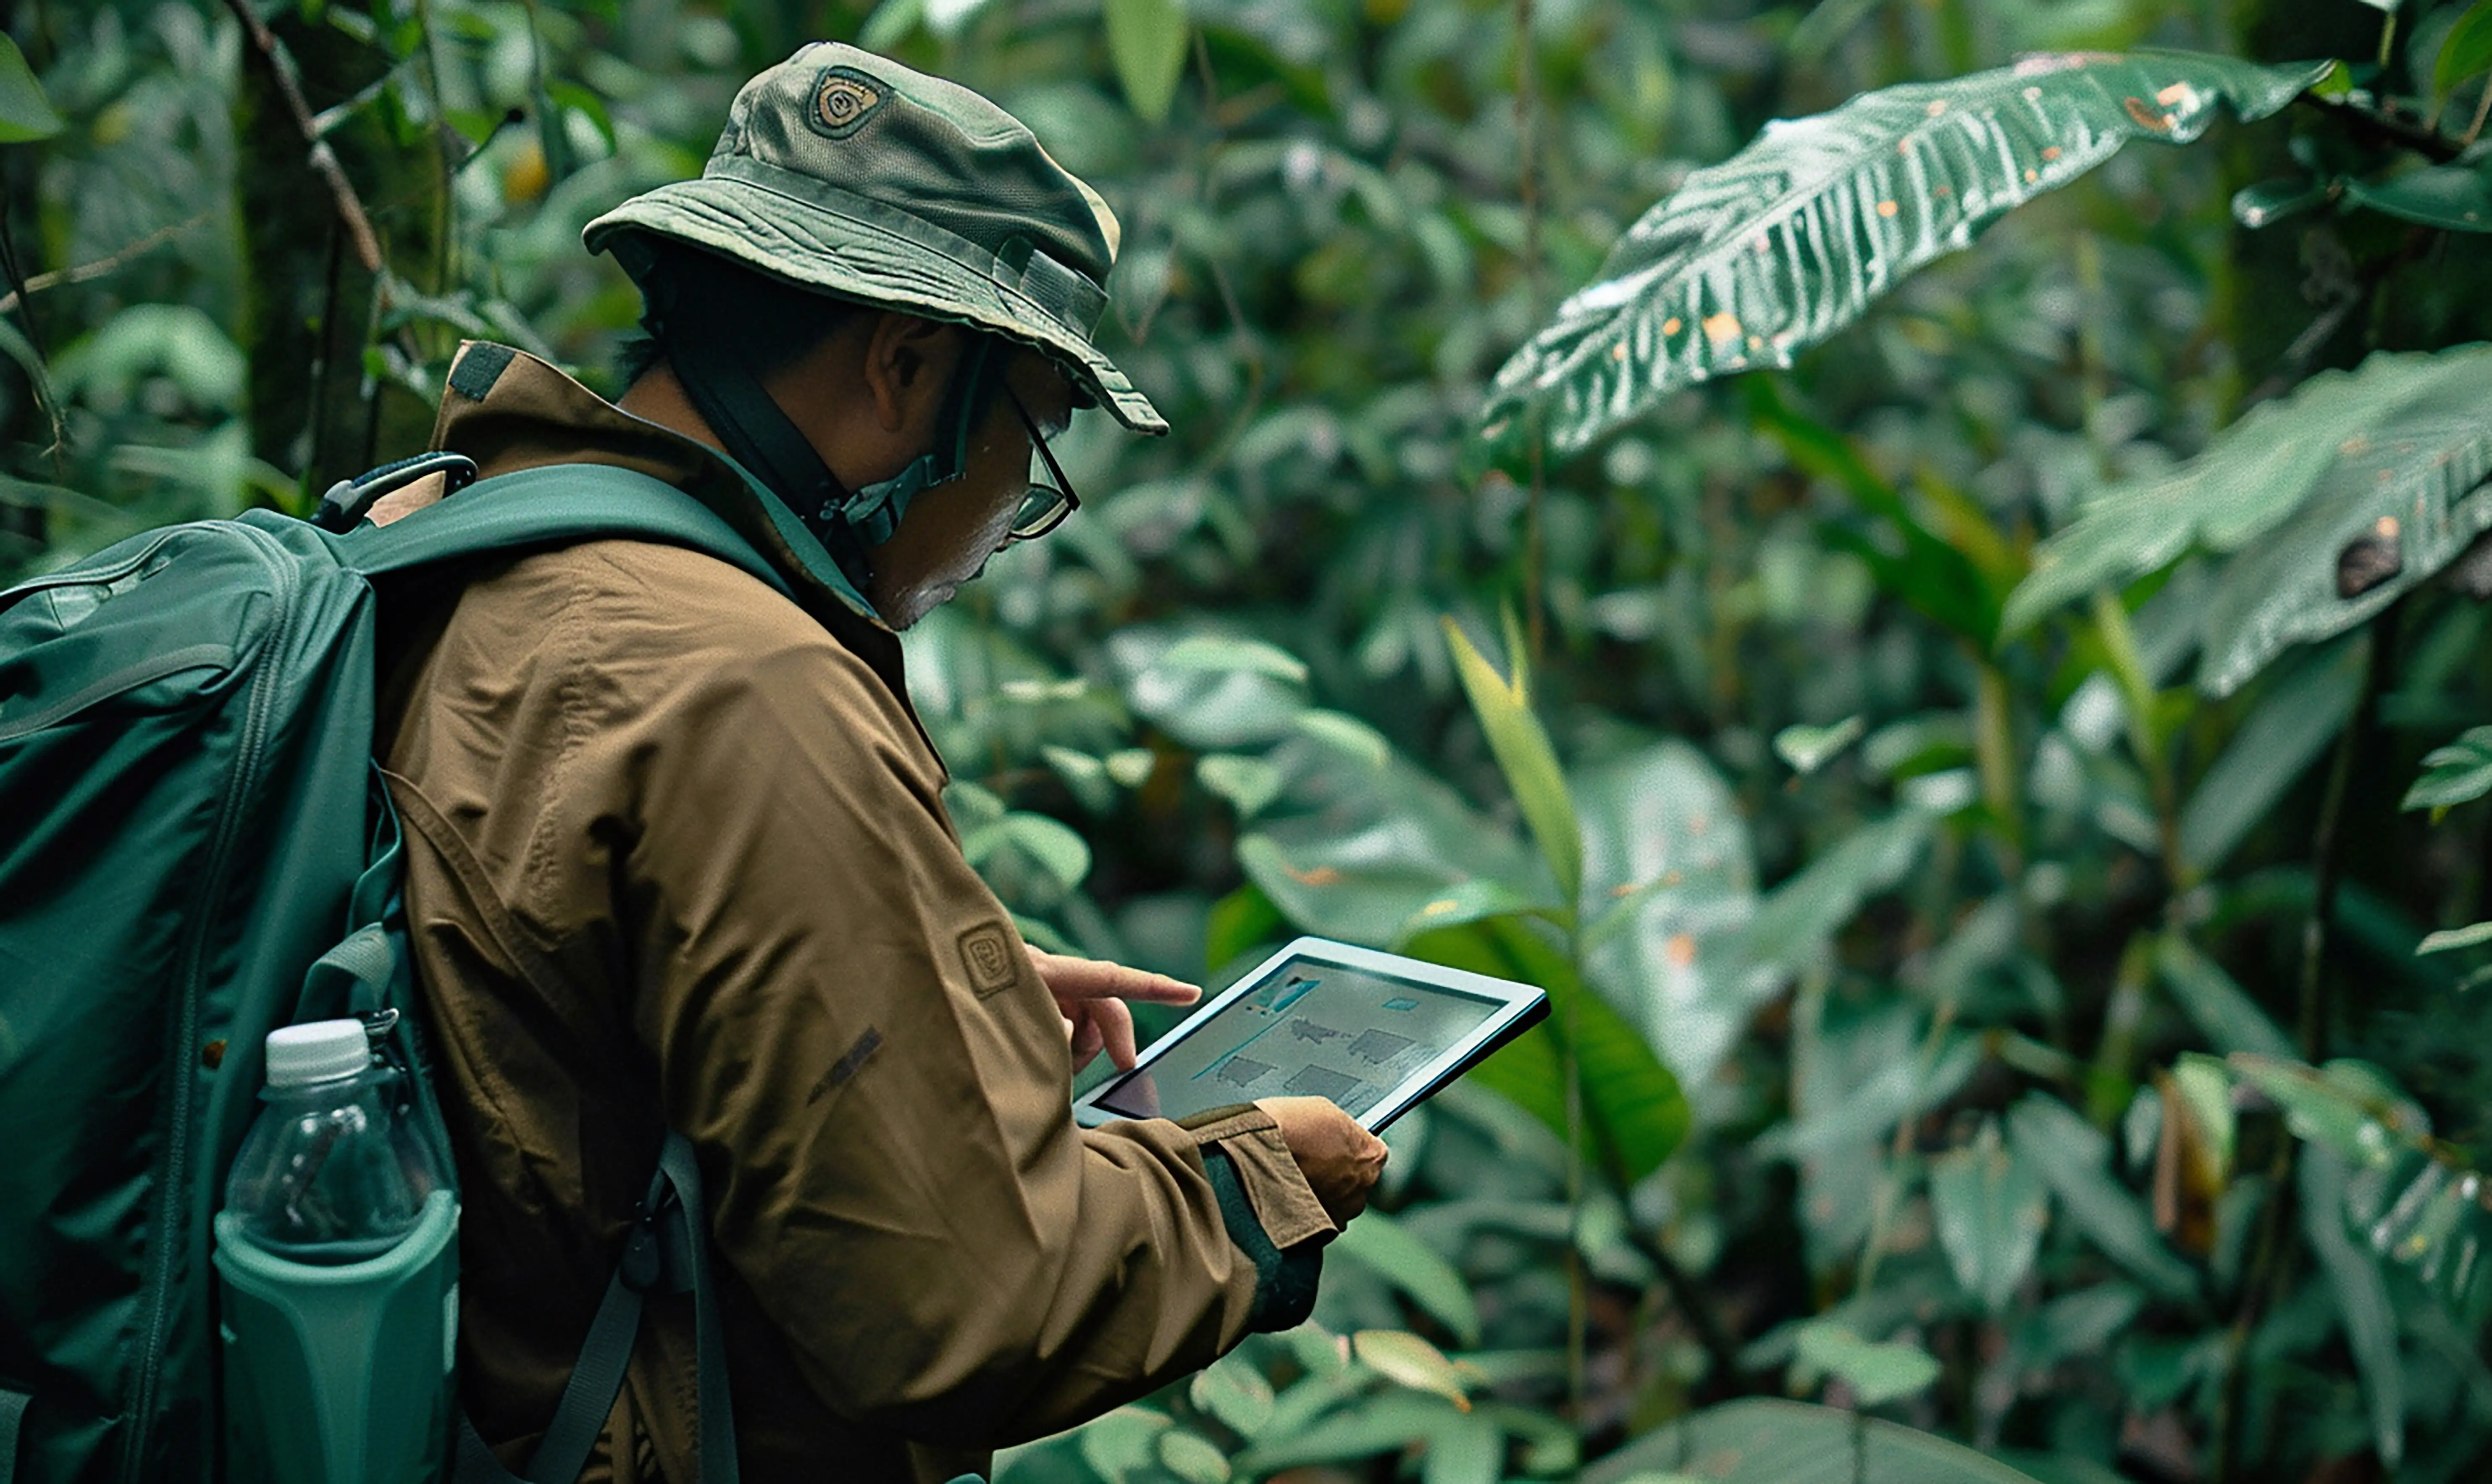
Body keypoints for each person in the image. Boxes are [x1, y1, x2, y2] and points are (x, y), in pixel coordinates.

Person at [370, 42, 1389, 1484]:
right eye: (1030, 434)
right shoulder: (748, 685)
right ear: (906, 368)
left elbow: (539, 981)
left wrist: (894, 975)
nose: (1012, 504)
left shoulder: (469, 531)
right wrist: (1259, 1177)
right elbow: (967, 1304)